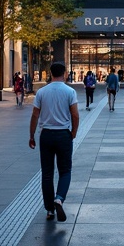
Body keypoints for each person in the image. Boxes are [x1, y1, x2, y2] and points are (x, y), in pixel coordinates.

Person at [29, 61, 80, 222]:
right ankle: (59, 198)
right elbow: (75, 115)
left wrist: (32, 135)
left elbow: (35, 115)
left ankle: (50, 210)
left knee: (47, 173)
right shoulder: (70, 91)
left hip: (46, 135)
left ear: (50, 73)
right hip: (64, 134)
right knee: (65, 171)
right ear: (64, 73)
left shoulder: (42, 92)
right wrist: (73, 132)